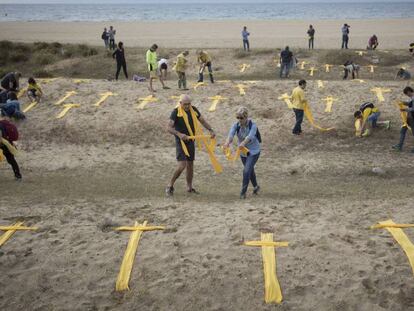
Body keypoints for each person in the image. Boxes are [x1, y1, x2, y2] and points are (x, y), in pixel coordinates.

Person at [166, 94, 216, 196]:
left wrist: (210, 130)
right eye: (185, 104)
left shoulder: (194, 109)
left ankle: (189, 187)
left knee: (190, 165)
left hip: (191, 141)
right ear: (180, 103)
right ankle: (170, 185)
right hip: (181, 142)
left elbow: (203, 121)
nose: (187, 106)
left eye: (189, 104)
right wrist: (179, 134)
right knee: (182, 165)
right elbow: (169, 128)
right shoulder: (175, 112)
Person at [223, 107, 261, 199]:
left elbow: (250, 136)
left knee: (246, 170)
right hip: (243, 152)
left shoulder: (253, 125)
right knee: (249, 170)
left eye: (241, 118)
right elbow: (231, 135)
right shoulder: (236, 125)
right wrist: (227, 143)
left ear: (246, 117)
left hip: (254, 151)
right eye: (238, 117)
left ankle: (243, 193)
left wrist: (243, 143)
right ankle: (256, 187)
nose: (239, 120)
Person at [392, 86, 414, 152]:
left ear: (409, 92)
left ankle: (400, 146)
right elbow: (410, 104)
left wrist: (404, 109)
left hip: (412, 118)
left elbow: (413, 109)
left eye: (407, 94)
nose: (407, 95)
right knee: (403, 130)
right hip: (409, 117)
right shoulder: (412, 98)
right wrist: (403, 102)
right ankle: (399, 145)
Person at [0, 115, 21, 179]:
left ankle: (17, 175)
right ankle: (18, 175)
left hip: (2, 145)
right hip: (8, 144)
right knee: (11, 160)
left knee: (11, 160)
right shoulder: (3, 123)